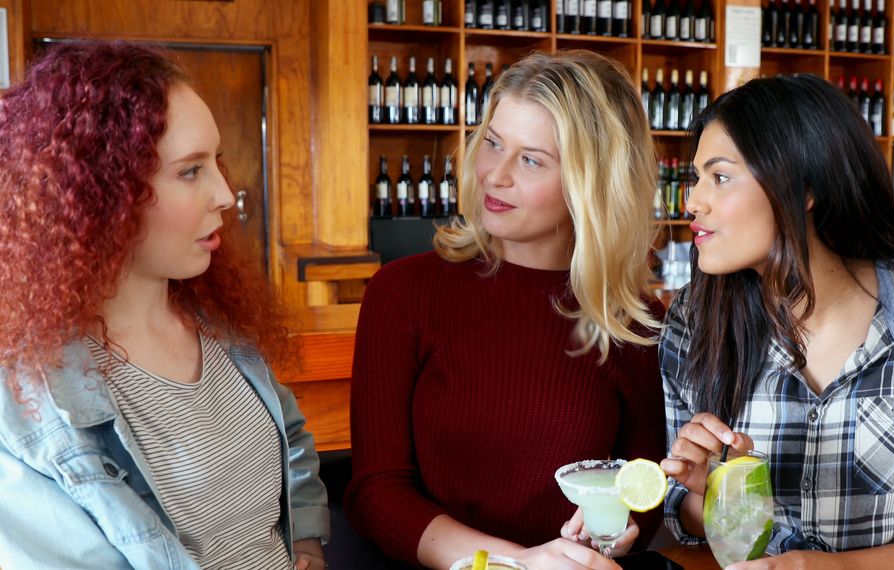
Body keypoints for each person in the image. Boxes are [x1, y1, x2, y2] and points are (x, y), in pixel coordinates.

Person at [659, 74, 894, 569]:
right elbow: (680, 515)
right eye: (695, 179)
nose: (692, 202)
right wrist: (708, 492)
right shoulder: (692, 322)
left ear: (804, 188)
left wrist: (837, 569)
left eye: (720, 176)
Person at [0, 41, 330, 569]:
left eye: (214, 163)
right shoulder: (27, 405)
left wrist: (307, 543)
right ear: (98, 194)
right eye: (190, 171)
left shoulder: (218, 323)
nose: (225, 193)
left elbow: (289, 437)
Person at [346, 50, 667, 569]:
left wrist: (614, 529)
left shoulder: (634, 322)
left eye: (532, 159)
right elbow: (377, 493)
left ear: (591, 184)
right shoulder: (402, 293)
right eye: (492, 144)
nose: (494, 175)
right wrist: (519, 564)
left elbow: (641, 490)